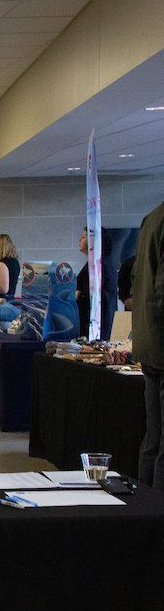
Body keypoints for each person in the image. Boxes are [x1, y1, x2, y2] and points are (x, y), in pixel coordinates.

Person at [133, 199, 164, 488]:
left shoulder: (151, 218)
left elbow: (137, 280)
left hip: (149, 343)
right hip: (161, 346)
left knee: (153, 436)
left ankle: (146, 508)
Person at [75, 228, 118, 340]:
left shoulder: (99, 265)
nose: (80, 239)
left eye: (83, 237)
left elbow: (93, 294)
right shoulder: (99, 263)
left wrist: (78, 294)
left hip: (96, 326)